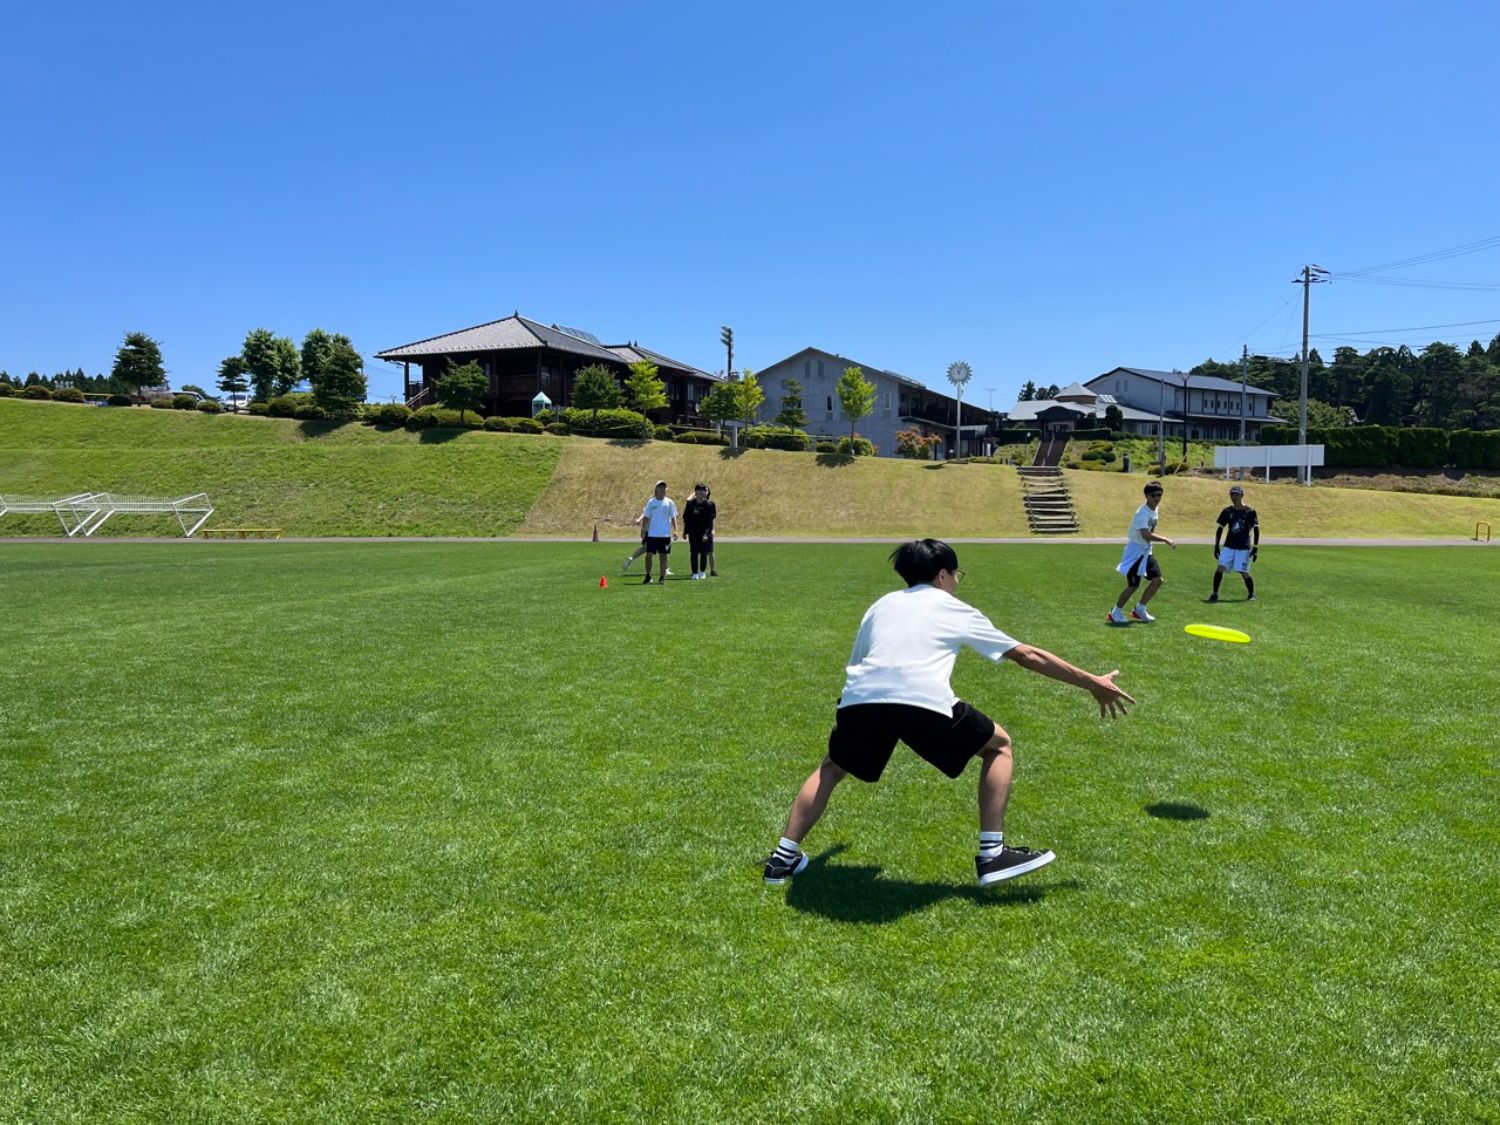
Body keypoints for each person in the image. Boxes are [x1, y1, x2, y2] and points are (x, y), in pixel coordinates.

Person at [764, 539, 1134, 887]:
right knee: (999, 745)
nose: (958, 582)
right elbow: (1026, 655)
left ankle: (782, 860)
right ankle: (993, 855)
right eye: (957, 575)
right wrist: (1091, 682)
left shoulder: (882, 605)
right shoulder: (954, 608)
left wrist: (854, 711)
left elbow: (859, 662)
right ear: (942, 574)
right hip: (919, 699)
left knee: (832, 767)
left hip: (860, 697)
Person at [1108, 481, 1175, 625]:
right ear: (1146, 496)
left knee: (1157, 580)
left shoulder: (1154, 509)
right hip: (1135, 553)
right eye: (1153, 495)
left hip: (1146, 551)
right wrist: (1165, 539)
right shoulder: (1142, 513)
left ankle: (1140, 609)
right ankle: (1115, 612)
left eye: (1159, 495)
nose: (1157, 498)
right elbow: (1145, 534)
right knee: (1133, 585)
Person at [1211, 484, 1259, 602]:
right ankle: (1215, 593)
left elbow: (1256, 530)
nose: (1234, 497)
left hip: (1243, 547)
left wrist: (1255, 548)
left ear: (1242, 495)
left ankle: (1251, 594)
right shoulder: (1227, 511)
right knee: (1220, 568)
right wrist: (1216, 546)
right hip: (1229, 546)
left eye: (1236, 494)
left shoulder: (1250, 512)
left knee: (1244, 572)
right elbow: (1220, 529)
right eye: (1232, 494)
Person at [639, 480, 678, 585]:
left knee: (663, 556)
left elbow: (673, 517)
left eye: (664, 487)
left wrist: (675, 530)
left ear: (666, 489)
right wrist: (642, 530)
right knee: (648, 555)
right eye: (660, 487)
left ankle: (662, 577)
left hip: (665, 535)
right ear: (656, 489)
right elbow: (646, 517)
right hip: (652, 534)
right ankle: (648, 575)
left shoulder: (670, 502)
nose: (662, 489)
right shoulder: (651, 502)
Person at [682, 483, 717, 580]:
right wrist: (685, 531)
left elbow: (709, 521)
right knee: (694, 551)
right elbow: (686, 518)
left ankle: (702, 571)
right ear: (695, 492)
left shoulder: (708, 504)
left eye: (702, 490)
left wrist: (706, 533)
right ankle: (694, 572)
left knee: (704, 552)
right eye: (698, 490)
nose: (700, 492)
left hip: (704, 532)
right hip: (693, 532)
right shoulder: (690, 504)